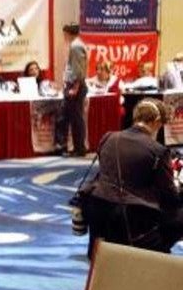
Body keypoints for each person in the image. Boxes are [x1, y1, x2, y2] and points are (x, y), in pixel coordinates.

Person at [78, 99, 183, 254]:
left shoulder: (107, 138)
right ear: (156, 122)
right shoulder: (158, 151)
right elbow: (170, 197)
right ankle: (156, 250)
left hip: (98, 210)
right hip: (132, 220)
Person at [56, 23, 90, 155]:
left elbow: (78, 70)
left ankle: (79, 148)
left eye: (64, 33)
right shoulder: (77, 44)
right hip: (73, 85)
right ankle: (74, 147)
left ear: (67, 33)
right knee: (69, 117)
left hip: (75, 86)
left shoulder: (76, 46)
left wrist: (75, 87)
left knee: (75, 119)